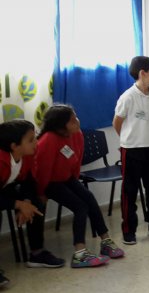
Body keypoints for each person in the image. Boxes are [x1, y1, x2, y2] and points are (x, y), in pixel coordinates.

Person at [34, 105, 125, 268]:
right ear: (60, 125)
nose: (77, 121)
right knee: (80, 207)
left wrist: (75, 184)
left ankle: (106, 241)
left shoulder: (77, 134)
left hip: (67, 178)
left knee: (89, 198)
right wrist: (41, 193)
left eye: (76, 116)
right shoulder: (49, 139)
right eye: (72, 120)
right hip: (49, 182)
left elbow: (76, 160)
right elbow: (42, 170)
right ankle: (80, 253)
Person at [1, 120, 65, 285]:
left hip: (6, 187)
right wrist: (18, 205)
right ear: (14, 146)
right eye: (31, 140)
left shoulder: (27, 155)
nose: (36, 142)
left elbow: (28, 181)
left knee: (37, 202)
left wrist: (27, 202)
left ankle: (37, 253)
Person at [113, 56, 149, 245]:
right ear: (142, 73)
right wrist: (128, 140)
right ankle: (129, 230)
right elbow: (117, 122)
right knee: (130, 190)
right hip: (132, 150)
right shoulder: (128, 97)